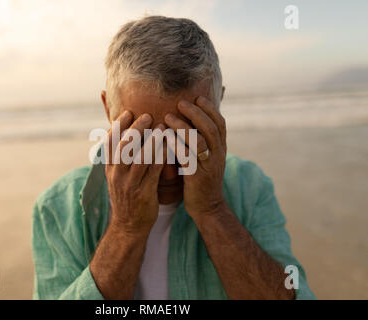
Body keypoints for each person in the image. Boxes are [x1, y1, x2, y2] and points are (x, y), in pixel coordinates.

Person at [32, 15, 315, 300]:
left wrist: (213, 210)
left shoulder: (249, 187)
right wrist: (126, 228)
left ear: (219, 106)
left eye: (185, 139)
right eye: (145, 141)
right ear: (108, 109)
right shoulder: (58, 207)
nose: (167, 172)